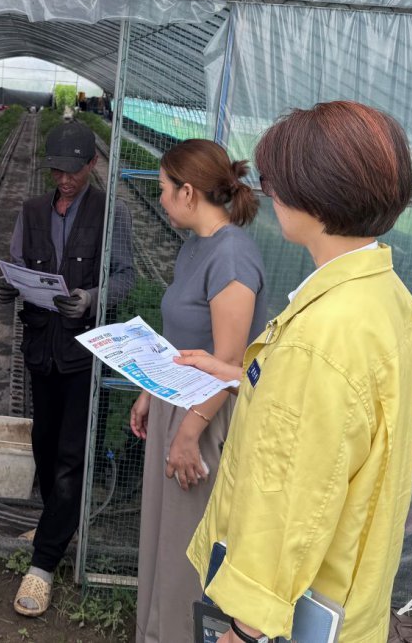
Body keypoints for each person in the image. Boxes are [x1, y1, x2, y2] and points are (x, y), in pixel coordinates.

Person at [183, 101, 412, 643]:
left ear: (313, 195)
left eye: (275, 182)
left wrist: (245, 631)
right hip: (350, 599)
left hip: (288, 622)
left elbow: (288, 497)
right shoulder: (389, 300)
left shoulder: (324, 336)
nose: (269, 194)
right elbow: (338, 430)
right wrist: (234, 373)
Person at [0, 120, 135, 618]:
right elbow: (16, 263)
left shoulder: (109, 213)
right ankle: (57, 519)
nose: (65, 179)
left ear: (91, 165)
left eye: (73, 170)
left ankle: (43, 566)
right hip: (41, 349)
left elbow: (125, 276)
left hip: (82, 353)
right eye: (57, 170)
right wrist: (8, 286)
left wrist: (92, 298)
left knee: (73, 453)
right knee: (45, 443)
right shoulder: (32, 211)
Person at [129, 139, 268, 643]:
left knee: (188, 545)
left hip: (205, 419)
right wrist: (150, 390)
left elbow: (230, 362)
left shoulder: (231, 256)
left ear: (188, 192)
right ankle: (154, 631)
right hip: (176, 404)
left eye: (164, 189)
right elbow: (187, 334)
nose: (160, 198)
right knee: (164, 535)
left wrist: (189, 433)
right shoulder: (196, 245)